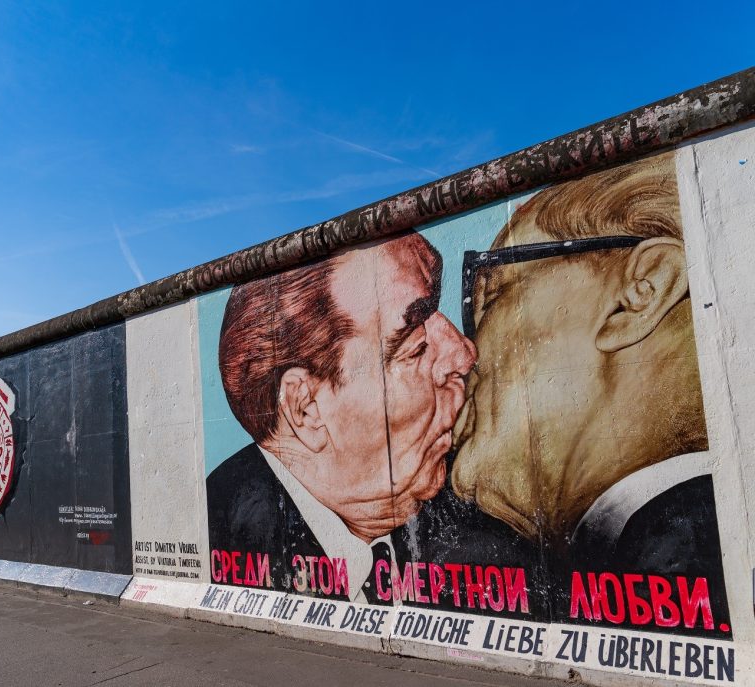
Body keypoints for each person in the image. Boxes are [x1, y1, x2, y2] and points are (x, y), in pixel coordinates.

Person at [449, 152, 729, 630]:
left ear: (641, 292)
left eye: (492, 295)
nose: (463, 352)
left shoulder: (686, 552)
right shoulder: (649, 550)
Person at [207, 232, 475, 603]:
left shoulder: (476, 531)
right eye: (416, 347)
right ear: (305, 409)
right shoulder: (218, 531)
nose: (463, 354)